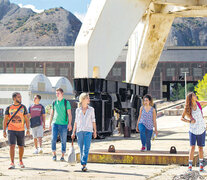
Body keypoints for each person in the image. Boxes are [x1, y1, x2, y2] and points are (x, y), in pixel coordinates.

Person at [3, 92, 30, 169]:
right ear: (14, 98)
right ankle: (12, 162)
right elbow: (5, 120)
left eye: (20, 97)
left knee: (21, 146)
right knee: (12, 146)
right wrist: (4, 130)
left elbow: (26, 119)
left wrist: (28, 129)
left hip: (21, 130)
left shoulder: (23, 107)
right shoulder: (8, 108)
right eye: (19, 97)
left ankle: (20, 161)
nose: (20, 98)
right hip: (11, 130)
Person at [181, 92, 207, 172]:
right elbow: (182, 118)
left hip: (201, 128)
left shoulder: (199, 104)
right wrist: (189, 121)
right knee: (192, 147)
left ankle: (201, 164)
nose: (196, 96)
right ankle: (190, 165)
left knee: (200, 147)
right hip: (192, 129)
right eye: (194, 96)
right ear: (191, 98)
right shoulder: (188, 108)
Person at [71, 93, 97, 172]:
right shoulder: (78, 110)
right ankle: (83, 165)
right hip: (79, 131)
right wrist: (73, 132)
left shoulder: (91, 109)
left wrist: (95, 131)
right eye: (87, 98)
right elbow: (76, 121)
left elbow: (93, 121)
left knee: (86, 148)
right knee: (81, 148)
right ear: (83, 100)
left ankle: (83, 164)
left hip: (88, 131)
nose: (89, 99)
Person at [49, 88, 72, 161]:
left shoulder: (66, 102)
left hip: (64, 124)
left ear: (62, 93)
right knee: (53, 139)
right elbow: (51, 114)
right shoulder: (54, 102)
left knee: (63, 140)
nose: (57, 94)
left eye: (58, 93)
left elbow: (69, 114)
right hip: (55, 123)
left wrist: (70, 124)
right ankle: (54, 155)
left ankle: (62, 156)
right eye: (56, 93)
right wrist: (49, 124)